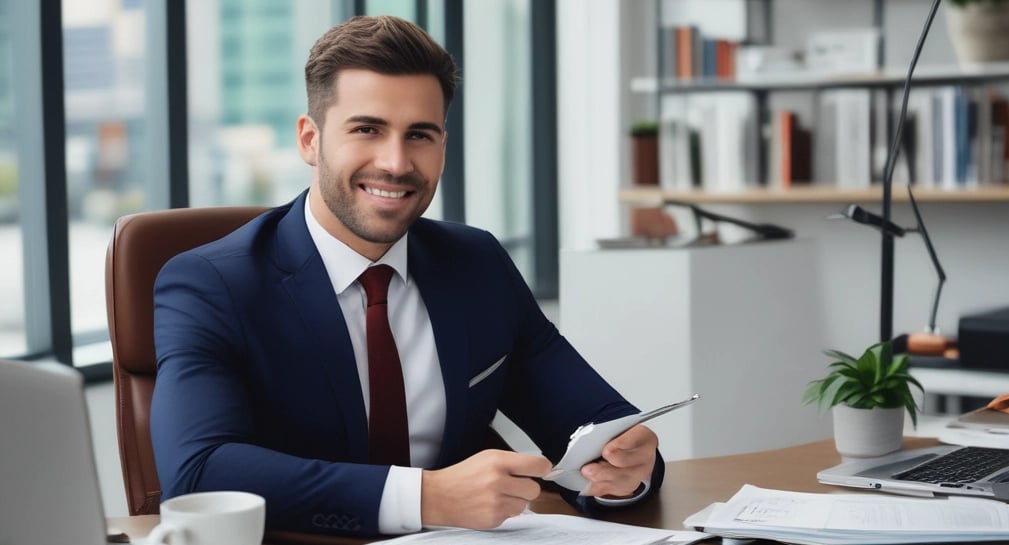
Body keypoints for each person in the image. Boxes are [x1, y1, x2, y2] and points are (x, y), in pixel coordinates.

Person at [151, 15, 663, 537]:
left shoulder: (476, 263)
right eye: (367, 129)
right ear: (310, 139)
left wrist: (627, 470)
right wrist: (428, 497)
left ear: (443, 145)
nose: (395, 163)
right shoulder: (210, 286)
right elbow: (198, 476)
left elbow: (595, 422)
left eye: (419, 134)